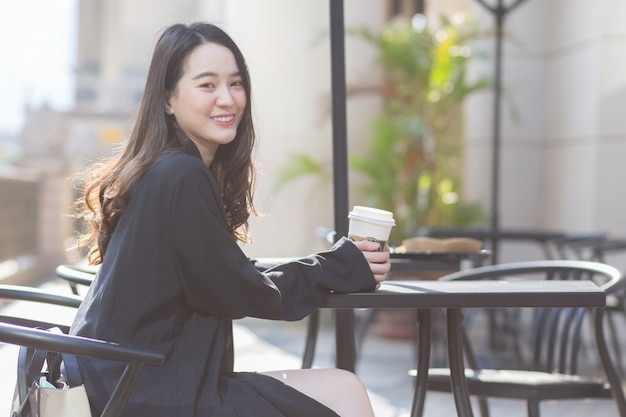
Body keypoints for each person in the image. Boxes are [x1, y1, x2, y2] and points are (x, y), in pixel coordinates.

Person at [69, 21, 391, 417]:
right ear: (168, 98)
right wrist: (340, 266)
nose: (227, 99)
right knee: (345, 392)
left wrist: (332, 264)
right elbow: (236, 290)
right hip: (151, 395)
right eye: (207, 85)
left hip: (127, 384)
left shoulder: (160, 170)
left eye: (236, 84)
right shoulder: (182, 175)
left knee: (343, 389)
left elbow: (220, 273)